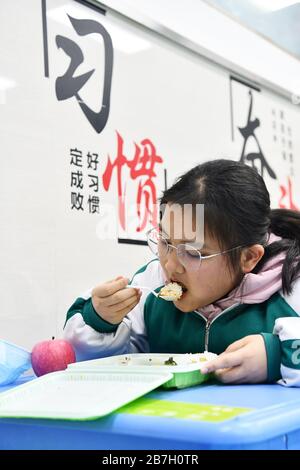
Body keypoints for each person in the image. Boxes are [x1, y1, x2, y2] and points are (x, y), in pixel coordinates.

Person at [64, 159, 300, 386]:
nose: (170, 266)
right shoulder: (152, 283)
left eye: (193, 252)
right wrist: (101, 321)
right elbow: (98, 365)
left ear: (248, 257)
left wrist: (279, 355)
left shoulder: (291, 284)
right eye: (166, 242)